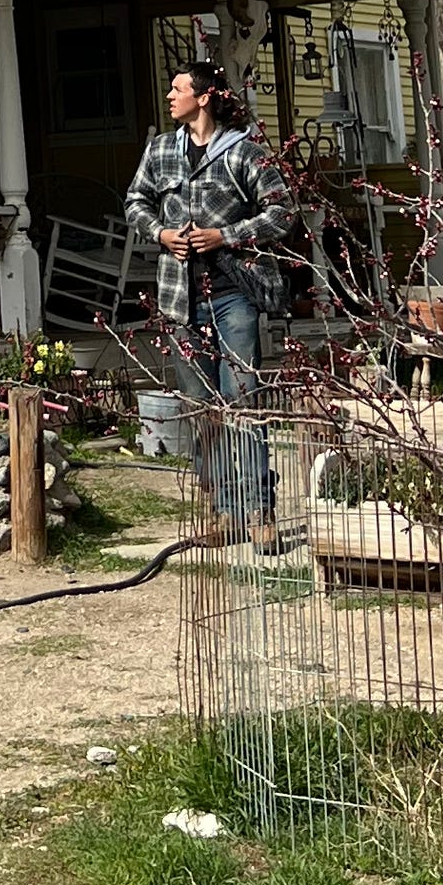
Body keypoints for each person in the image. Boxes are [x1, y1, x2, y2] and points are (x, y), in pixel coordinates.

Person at [125, 60, 293, 538]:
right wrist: (159, 233)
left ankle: (260, 510)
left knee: (243, 399)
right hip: (180, 299)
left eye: (177, 89)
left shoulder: (244, 154)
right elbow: (134, 202)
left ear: (203, 97)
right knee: (200, 406)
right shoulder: (160, 152)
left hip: (233, 294)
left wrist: (227, 235)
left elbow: (283, 212)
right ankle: (222, 510)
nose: (170, 96)